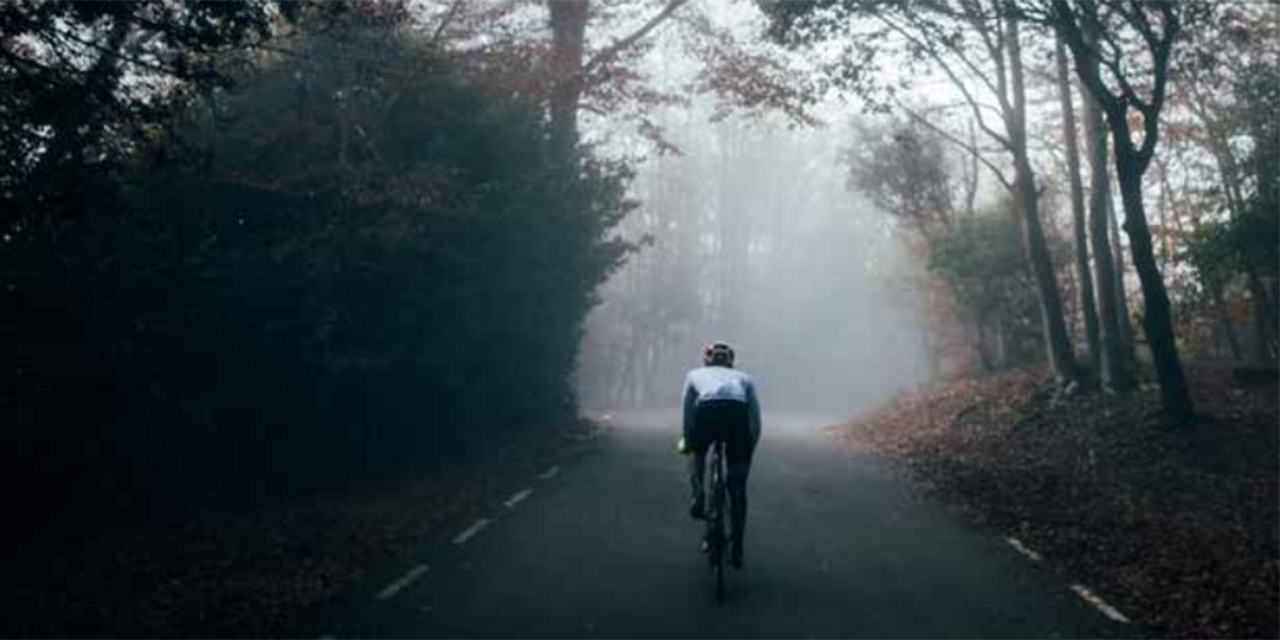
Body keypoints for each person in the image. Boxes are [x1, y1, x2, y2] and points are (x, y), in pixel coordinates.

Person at [680, 341, 761, 568]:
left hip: (707, 411)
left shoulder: (694, 374)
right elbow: (755, 420)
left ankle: (698, 494)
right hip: (736, 415)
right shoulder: (744, 378)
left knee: (696, 451)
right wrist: (748, 450)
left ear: (706, 360)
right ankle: (737, 547)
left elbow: (687, 410)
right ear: (731, 362)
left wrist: (688, 441)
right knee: (738, 490)